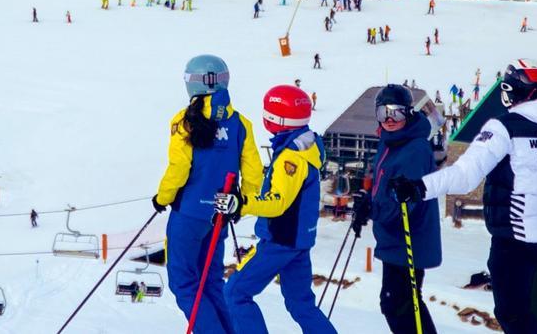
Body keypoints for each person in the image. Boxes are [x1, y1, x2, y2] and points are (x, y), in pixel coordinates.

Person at [389, 60, 537, 334]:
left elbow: (465, 175)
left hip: (513, 239)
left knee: (513, 314)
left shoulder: (506, 128)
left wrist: (418, 187)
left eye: (508, 88)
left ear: (520, 92)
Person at [152, 55, 263, 334]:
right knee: (211, 281)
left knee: (183, 281)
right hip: (219, 215)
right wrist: (243, 203)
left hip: (188, 213)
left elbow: (179, 168)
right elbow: (253, 173)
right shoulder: (240, 123)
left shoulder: (185, 120)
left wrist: (163, 197)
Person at [217, 85, 337, 334]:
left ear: (275, 119)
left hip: (280, 242)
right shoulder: (307, 147)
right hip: (298, 242)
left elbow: (277, 202)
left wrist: (240, 203)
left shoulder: (290, 158)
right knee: (300, 303)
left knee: (235, 292)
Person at [363, 84, 441, 333]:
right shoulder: (390, 142)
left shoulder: (414, 149)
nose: (389, 119)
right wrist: (368, 200)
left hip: (409, 237)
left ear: (408, 113)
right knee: (399, 301)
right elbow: (383, 186)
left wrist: (372, 210)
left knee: (398, 302)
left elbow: (404, 203)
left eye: (395, 112)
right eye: (382, 113)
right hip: (393, 238)